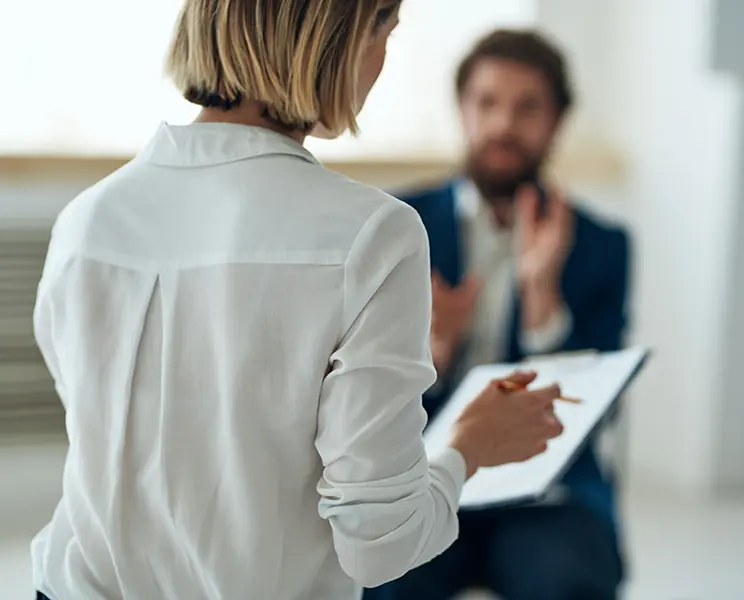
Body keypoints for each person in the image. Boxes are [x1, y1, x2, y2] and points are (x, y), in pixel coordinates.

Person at [30, 4, 566, 600]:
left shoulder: (85, 221)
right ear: (338, 42)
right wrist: (468, 445)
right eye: (384, 35)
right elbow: (378, 542)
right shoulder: (374, 234)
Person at [365, 30, 631, 600]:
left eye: (527, 107)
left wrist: (542, 300)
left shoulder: (602, 244)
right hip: (422, 478)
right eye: (487, 103)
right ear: (462, 111)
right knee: (384, 581)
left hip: (545, 496)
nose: (504, 125)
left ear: (558, 121)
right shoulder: (393, 224)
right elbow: (357, 402)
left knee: (573, 582)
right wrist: (431, 353)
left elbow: (595, 413)